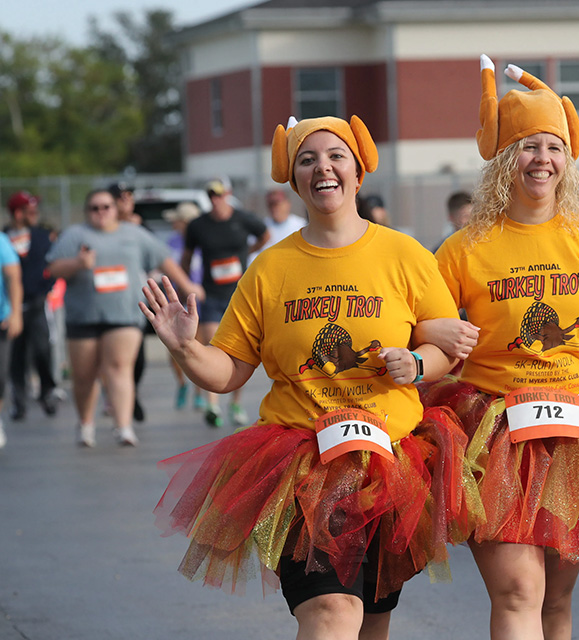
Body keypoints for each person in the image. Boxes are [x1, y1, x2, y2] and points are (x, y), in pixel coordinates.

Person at [140, 114, 478, 639]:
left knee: (371, 618)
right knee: (330, 612)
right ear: (294, 179)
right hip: (303, 466)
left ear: (358, 172)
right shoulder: (269, 269)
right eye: (307, 159)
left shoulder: (404, 253)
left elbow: (442, 348)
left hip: (393, 462)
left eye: (335, 155)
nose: (323, 167)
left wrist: (415, 364)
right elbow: (227, 372)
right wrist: (185, 346)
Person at [417, 56, 579, 640]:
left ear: (568, 159)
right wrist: (435, 336)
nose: (541, 159)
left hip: (576, 432)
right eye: (526, 146)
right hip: (490, 430)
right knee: (518, 592)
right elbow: (423, 326)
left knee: (557, 603)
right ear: (502, 159)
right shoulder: (464, 248)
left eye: (552, 147)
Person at [46, 189, 202, 447]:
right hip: (83, 317)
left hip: (124, 315)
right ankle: (85, 425)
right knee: (84, 375)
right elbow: (53, 268)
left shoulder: (133, 234)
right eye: (95, 208)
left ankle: (123, 426)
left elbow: (164, 260)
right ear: (87, 211)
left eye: (106, 206)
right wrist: (78, 264)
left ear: (115, 209)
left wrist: (188, 286)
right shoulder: (75, 235)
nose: (101, 212)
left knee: (120, 368)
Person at [181, 179, 270, 427]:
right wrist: (185, 284)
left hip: (239, 294)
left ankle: (235, 403)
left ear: (228, 195)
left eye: (219, 195)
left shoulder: (243, 219)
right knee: (212, 345)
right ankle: (213, 405)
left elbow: (265, 234)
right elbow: (186, 257)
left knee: (238, 353)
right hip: (211, 294)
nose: (216, 199)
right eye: (211, 195)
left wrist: (249, 252)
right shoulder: (198, 225)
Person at [5, 191, 59, 420]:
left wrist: (46, 287)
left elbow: (54, 263)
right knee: (16, 356)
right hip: (12, 305)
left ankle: (47, 391)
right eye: (30, 211)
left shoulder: (42, 235)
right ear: (18, 213)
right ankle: (19, 401)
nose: (35, 215)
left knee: (42, 349)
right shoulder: (4, 238)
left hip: (37, 301)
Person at [108, 181, 148, 422]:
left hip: (134, 301)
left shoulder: (141, 227)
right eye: (121, 196)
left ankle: (132, 394)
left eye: (130, 195)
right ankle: (118, 400)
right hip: (109, 300)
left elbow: (158, 255)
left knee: (138, 359)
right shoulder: (104, 228)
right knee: (112, 359)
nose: (127, 199)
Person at [161, 201, 204, 410]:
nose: (173, 224)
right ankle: (181, 383)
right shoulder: (171, 242)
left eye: (176, 220)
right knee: (174, 347)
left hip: (200, 300)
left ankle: (199, 391)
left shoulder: (203, 241)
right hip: (176, 300)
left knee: (199, 346)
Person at [0, 230, 22, 449]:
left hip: (1, 318)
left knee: (0, 373)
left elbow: (13, 277)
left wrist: (15, 313)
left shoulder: (1, 241)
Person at [248, 188, 307, 263]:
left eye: (277, 203)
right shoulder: (261, 228)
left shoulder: (301, 225)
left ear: (287, 204)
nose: (274, 208)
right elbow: (251, 256)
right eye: (271, 204)